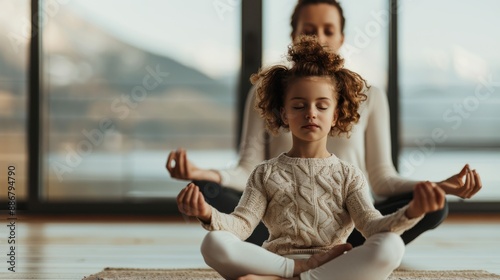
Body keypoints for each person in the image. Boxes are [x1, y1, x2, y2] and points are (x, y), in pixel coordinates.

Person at [167, 0, 482, 247]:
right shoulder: (265, 93)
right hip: (282, 220)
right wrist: (198, 174)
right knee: (209, 192)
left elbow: (383, 180)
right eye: (309, 29)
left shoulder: (370, 96)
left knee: (434, 207)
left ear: (342, 37)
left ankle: (333, 251)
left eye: (328, 30)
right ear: (294, 36)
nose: (319, 38)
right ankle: (293, 251)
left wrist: (438, 187)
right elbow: (247, 169)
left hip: (353, 221)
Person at [176, 36, 446, 280]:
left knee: (391, 246)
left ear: (335, 116)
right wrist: (206, 213)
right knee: (213, 244)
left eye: (322, 105)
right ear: (284, 114)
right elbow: (241, 225)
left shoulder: (350, 175)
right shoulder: (265, 173)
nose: (311, 113)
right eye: (299, 106)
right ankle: (296, 273)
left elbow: (373, 226)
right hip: (276, 261)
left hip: (334, 262)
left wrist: (412, 212)